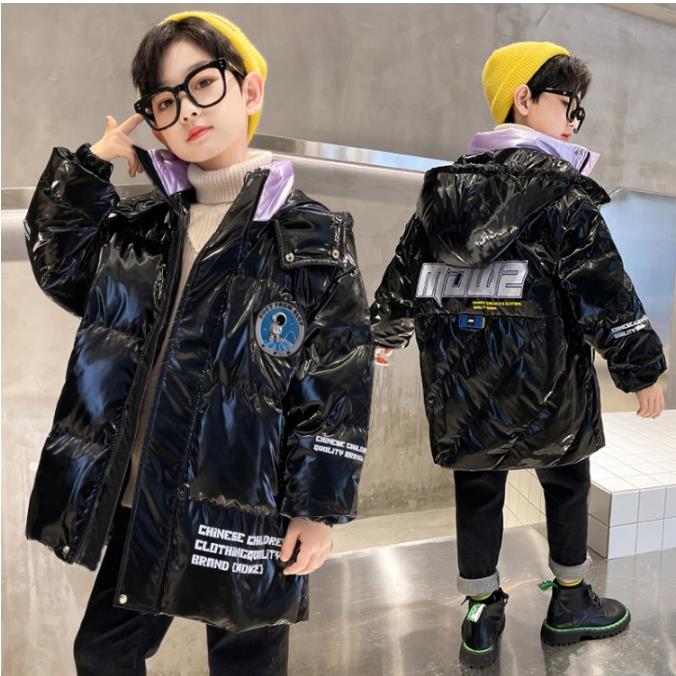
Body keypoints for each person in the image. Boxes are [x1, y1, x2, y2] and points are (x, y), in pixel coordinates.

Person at [24, 11, 374, 675]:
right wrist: (90, 169)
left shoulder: (312, 236)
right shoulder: (141, 226)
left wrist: (319, 510)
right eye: (164, 100)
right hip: (144, 498)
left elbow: (339, 381)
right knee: (102, 652)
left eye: (203, 83)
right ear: (154, 123)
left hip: (250, 504)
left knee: (246, 663)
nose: (186, 109)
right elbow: (63, 268)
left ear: (250, 90)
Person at [370, 41, 666, 669]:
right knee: (567, 481)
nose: (573, 122)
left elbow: (404, 274)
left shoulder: (444, 195)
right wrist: (642, 369)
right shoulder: (562, 195)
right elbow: (604, 291)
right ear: (523, 98)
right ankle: (570, 602)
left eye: (579, 111)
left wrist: (384, 333)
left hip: (464, 387)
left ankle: (481, 612)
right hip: (549, 384)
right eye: (568, 105)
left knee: (478, 486)